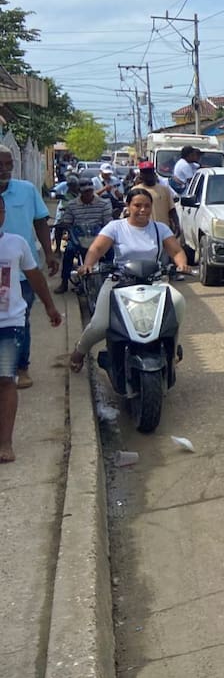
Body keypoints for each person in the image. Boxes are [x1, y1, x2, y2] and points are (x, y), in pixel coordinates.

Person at [68, 187, 190, 374]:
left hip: (153, 281)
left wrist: (181, 264)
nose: (142, 210)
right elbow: (97, 249)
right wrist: (88, 265)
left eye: (147, 206)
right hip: (120, 280)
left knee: (178, 301)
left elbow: (176, 251)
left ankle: (171, 350)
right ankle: (80, 351)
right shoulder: (116, 227)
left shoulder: (160, 228)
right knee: (100, 324)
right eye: (137, 205)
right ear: (128, 206)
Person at [0, 195, 63, 463]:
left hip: (9, 323)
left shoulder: (16, 243)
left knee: (5, 381)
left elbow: (34, 277)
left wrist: (50, 307)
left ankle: (5, 442)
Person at [0, 144, 59, 389]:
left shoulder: (26, 190)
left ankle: (21, 367)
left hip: (22, 269)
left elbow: (40, 222)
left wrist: (49, 253)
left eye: (8, 164)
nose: (4, 169)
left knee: (20, 318)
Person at [54, 183, 113, 293]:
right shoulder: (72, 205)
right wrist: (66, 225)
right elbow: (67, 220)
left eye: (90, 191)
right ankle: (64, 282)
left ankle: (110, 279)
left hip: (98, 236)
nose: (88, 194)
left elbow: (108, 223)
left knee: (110, 251)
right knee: (69, 252)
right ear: (80, 192)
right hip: (79, 236)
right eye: (85, 191)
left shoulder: (103, 204)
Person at [130, 161, 180, 235]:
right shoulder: (135, 191)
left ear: (153, 173)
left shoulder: (164, 189)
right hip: (142, 230)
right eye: (145, 172)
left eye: (149, 172)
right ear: (141, 175)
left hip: (162, 231)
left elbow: (172, 210)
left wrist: (177, 225)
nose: (147, 175)